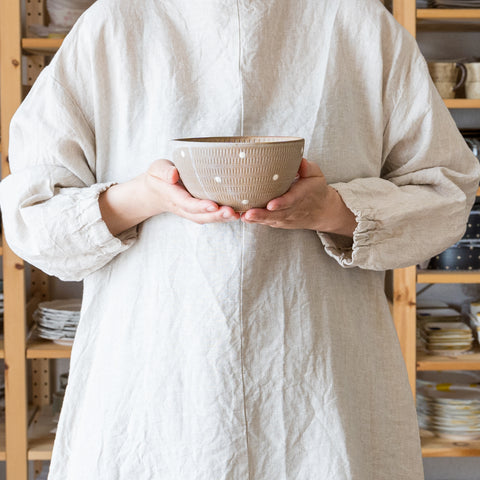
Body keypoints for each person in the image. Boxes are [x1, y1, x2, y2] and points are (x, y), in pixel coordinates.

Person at [1, 0, 479, 478]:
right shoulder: (116, 22)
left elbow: (445, 192)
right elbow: (33, 216)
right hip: (155, 376)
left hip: (320, 376)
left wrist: (333, 208)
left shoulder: (354, 21)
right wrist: (146, 196)